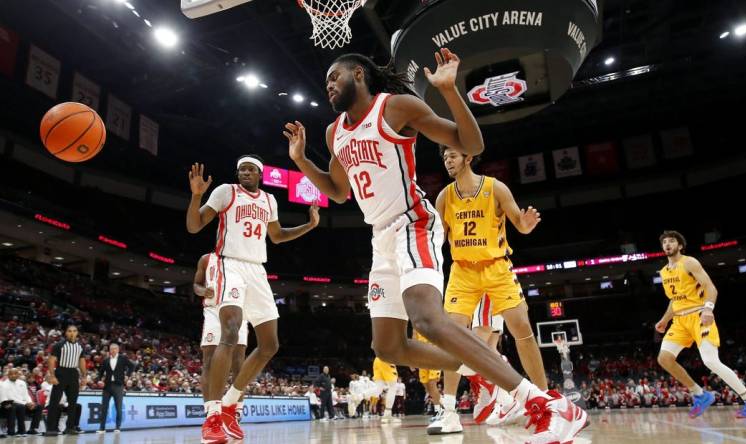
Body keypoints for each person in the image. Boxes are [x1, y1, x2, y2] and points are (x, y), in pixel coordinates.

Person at [284, 48, 587, 442]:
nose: (328, 86)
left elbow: (472, 145)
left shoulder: (396, 108)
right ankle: (485, 370)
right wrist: (303, 160)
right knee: (389, 346)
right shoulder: (334, 132)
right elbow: (339, 191)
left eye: (334, 78)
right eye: (325, 82)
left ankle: (544, 403)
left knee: (426, 318)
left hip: (414, 223)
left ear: (358, 74)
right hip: (380, 237)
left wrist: (449, 91)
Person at [187, 154, 320, 444]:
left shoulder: (269, 201)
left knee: (270, 344)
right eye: (241, 170)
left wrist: (309, 226)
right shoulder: (225, 191)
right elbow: (194, 226)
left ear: (259, 174)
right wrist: (196, 197)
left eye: (250, 170)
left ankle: (231, 403)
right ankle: (212, 416)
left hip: (257, 269)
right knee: (231, 332)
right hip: (229, 264)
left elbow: (277, 236)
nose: (245, 173)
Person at [432, 145, 549, 433]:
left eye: (453, 156)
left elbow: (519, 225)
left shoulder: (496, 188)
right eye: (445, 157)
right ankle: (448, 411)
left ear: (468, 157)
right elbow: (436, 239)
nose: (448, 161)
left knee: (522, 327)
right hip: (462, 272)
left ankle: (545, 401)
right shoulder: (444, 196)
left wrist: (527, 224)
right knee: (452, 337)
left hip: (496, 267)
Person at [655, 230, 746, 419]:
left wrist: (708, 309)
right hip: (680, 321)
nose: (668, 244)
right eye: (665, 242)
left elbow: (710, 288)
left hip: (699, 315)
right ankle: (700, 394)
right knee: (664, 359)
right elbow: (674, 300)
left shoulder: (689, 262)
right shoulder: (665, 271)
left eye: (672, 241)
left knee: (710, 361)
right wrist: (665, 319)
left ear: (680, 246)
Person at [194, 253, 248, 422]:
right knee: (208, 361)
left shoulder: (245, 260)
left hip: (238, 310)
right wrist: (203, 290)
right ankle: (210, 411)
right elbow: (196, 285)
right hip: (213, 310)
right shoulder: (205, 259)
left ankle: (235, 409)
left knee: (238, 363)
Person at [45, 325, 86, 436]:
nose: (72, 333)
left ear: (77, 333)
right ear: (66, 333)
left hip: (73, 373)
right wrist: (52, 375)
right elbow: (51, 360)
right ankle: (51, 428)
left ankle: (70, 427)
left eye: (74, 331)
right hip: (61, 372)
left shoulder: (80, 347)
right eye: (69, 331)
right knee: (54, 401)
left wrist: (84, 376)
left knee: (73, 402)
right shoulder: (59, 345)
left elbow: (82, 362)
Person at [96, 343, 133, 433]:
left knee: (118, 407)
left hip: (118, 385)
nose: (113, 350)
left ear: (118, 350)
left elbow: (132, 366)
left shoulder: (123, 358)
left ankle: (117, 427)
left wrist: (127, 376)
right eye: (111, 349)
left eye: (115, 349)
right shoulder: (106, 360)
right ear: (109, 350)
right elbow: (101, 372)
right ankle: (102, 428)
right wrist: (99, 380)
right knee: (104, 407)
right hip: (107, 386)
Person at [412, 330, 443, 422]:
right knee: (427, 388)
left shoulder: (433, 318)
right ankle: (444, 404)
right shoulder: (415, 324)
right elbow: (414, 341)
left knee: (432, 383)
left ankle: (438, 411)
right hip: (422, 357)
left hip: (434, 353)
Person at [1, 368, 42, 436]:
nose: (13, 375)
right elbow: (7, 399)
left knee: (38, 407)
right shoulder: (3, 384)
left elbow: (26, 395)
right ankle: (17, 430)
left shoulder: (22, 383)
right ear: (8, 375)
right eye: (11, 374)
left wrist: (30, 402)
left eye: (15, 374)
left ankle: (32, 429)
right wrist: (25, 403)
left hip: (22, 404)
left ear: (18, 375)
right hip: (9, 405)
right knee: (18, 406)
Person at [372, 357, 400, 423]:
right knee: (393, 387)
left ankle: (359, 396)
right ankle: (387, 414)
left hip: (377, 359)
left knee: (378, 388)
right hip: (387, 359)